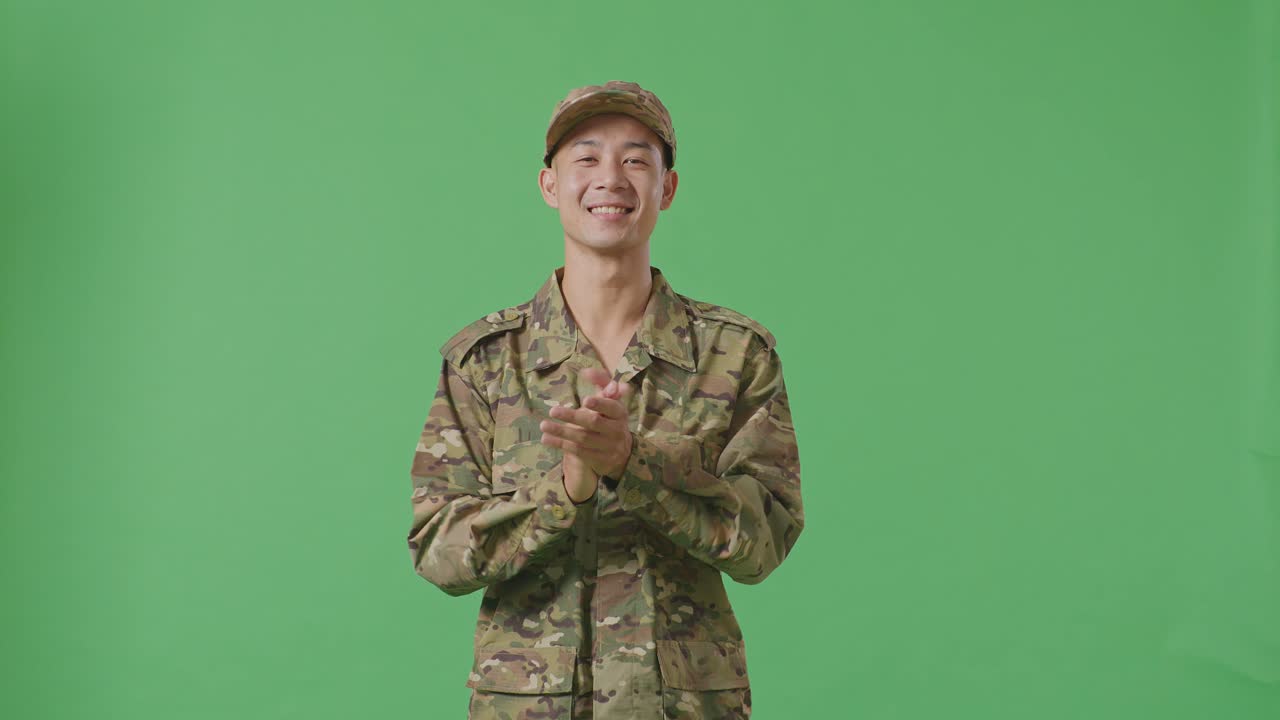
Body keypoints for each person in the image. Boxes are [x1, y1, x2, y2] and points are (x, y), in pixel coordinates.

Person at [406, 80, 804, 720]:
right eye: (586, 158)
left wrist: (633, 465)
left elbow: (763, 544)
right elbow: (439, 552)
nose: (610, 178)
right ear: (549, 185)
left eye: (637, 159)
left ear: (666, 189)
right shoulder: (484, 361)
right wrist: (566, 490)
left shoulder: (736, 355)